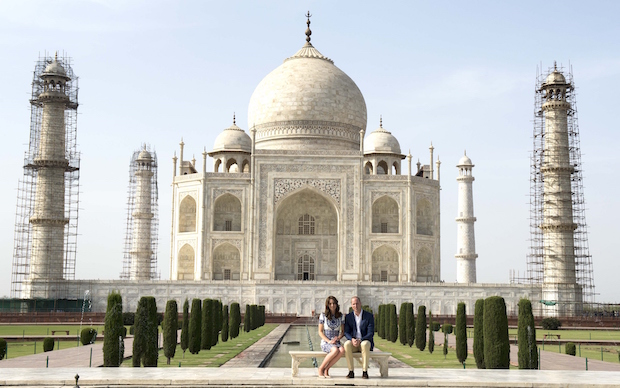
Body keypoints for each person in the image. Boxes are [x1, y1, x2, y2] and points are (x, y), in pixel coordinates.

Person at [343, 295, 374, 379]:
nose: (355, 306)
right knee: (346, 344)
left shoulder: (368, 316)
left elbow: (370, 333)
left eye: (357, 303)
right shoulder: (349, 317)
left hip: (364, 341)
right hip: (354, 343)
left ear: (360, 304)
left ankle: (365, 372)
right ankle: (351, 371)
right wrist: (352, 339)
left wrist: (360, 340)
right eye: (353, 304)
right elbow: (346, 332)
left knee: (364, 344)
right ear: (351, 305)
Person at [317, 296, 345, 378]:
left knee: (342, 350)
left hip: (336, 341)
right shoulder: (323, 315)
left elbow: (343, 332)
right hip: (326, 342)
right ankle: (321, 368)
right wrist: (329, 341)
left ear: (336, 304)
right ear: (327, 305)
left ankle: (326, 369)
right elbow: (320, 331)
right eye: (330, 304)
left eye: (334, 303)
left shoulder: (340, 316)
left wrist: (338, 338)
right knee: (335, 350)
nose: (332, 305)